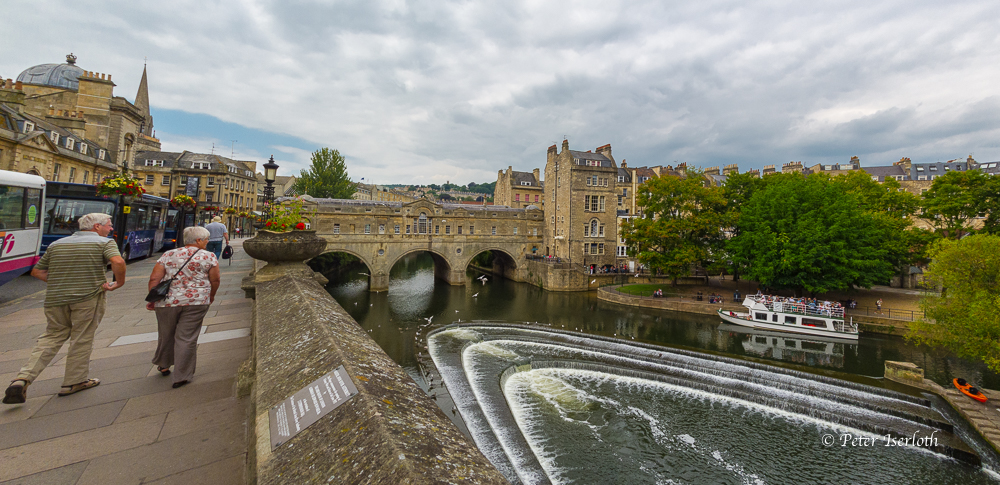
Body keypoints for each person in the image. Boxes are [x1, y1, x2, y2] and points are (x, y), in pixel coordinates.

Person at [3, 213, 126, 404]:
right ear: (96, 227)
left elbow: (37, 271)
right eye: (109, 225)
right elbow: (118, 262)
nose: (111, 229)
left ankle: (22, 378)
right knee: (81, 338)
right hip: (88, 298)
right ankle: (74, 382)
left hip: (55, 299)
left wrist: (61, 283)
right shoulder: (105, 243)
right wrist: (118, 283)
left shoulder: (57, 244)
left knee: (51, 336)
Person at [146, 226, 220, 388]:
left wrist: (153, 297)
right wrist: (211, 295)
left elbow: (154, 278)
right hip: (196, 302)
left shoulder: (168, 254)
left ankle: (164, 364)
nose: (207, 242)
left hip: (167, 302)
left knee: (166, 333)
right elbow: (215, 280)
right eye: (206, 239)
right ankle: (181, 376)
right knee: (186, 337)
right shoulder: (209, 256)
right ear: (199, 241)